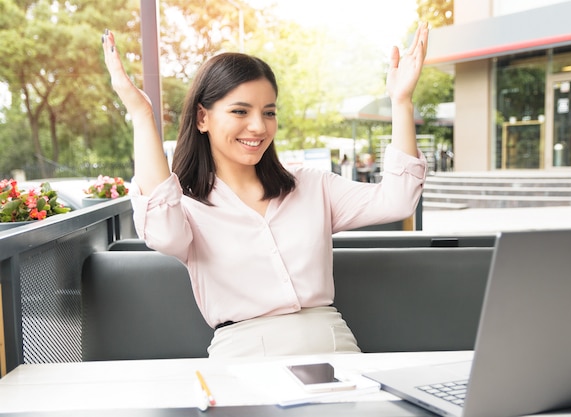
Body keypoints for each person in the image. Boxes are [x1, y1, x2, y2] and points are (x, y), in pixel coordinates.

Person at [101, 22, 429, 358]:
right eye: (240, 111)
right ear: (202, 118)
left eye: (268, 112)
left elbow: (398, 199)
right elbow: (161, 232)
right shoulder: (187, 207)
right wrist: (141, 115)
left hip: (334, 350)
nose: (258, 126)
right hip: (243, 357)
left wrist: (401, 101)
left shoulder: (312, 185)